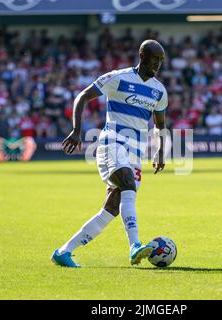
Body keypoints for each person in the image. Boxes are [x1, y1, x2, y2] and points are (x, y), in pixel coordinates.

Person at [51, 40, 167, 268]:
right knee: (127, 184)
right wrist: (76, 130)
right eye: (154, 59)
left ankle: (64, 252)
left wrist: (160, 151)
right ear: (142, 55)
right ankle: (135, 246)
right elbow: (82, 97)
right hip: (111, 143)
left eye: (161, 61)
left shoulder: (159, 91)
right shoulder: (118, 78)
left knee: (112, 209)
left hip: (135, 153)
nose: (157, 64)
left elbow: (160, 125)